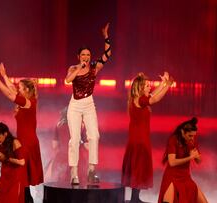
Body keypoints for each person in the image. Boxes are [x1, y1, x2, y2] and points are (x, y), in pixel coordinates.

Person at [65, 23, 112, 185]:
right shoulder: (73, 68)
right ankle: (74, 172)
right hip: (75, 105)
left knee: (94, 136)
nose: (86, 57)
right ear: (78, 56)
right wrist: (79, 67)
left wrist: (106, 36)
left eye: (88, 54)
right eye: (83, 54)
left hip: (89, 103)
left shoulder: (94, 68)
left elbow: (107, 54)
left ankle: (92, 170)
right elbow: (68, 80)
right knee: (75, 138)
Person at [0, 63, 44, 201]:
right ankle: (26, 199)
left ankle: (25, 199)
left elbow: (10, 94)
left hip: (27, 143)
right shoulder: (28, 100)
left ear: (26, 89)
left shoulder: (28, 102)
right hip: (23, 141)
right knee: (22, 178)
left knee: (21, 176)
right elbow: (12, 89)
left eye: (20, 88)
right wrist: (4, 75)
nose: (18, 89)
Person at [121, 72, 174, 203]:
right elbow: (155, 99)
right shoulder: (140, 100)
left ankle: (135, 197)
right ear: (140, 88)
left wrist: (164, 84)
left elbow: (153, 95)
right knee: (138, 168)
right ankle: (134, 199)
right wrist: (167, 85)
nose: (149, 87)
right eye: (147, 86)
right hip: (139, 140)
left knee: (138, 168)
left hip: (138, 138)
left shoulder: (138, 99)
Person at [157, 117, 208, 203]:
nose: (192, 138)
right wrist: (190, 157)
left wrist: (196, 156)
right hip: (172, 177)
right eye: (190, 135)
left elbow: (199, 161)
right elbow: (172, 162)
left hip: (185, 177)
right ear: (182, 132)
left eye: (194, 136)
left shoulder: (192, 141)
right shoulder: (173, 140)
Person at [45, 107, 89, 182]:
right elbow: (86, 145)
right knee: (77, 185)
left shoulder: (59, 125)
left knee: (60, 184)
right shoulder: (81, 126)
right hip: (77, 159)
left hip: (62, 158)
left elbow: (54, 145)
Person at [0, 121, 27, 203]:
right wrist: (0, 158)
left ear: (5, 134)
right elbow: (2, 160)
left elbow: (22, 162)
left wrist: (6, 158)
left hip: (14, 179)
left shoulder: (15, 142)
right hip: (4, 177)